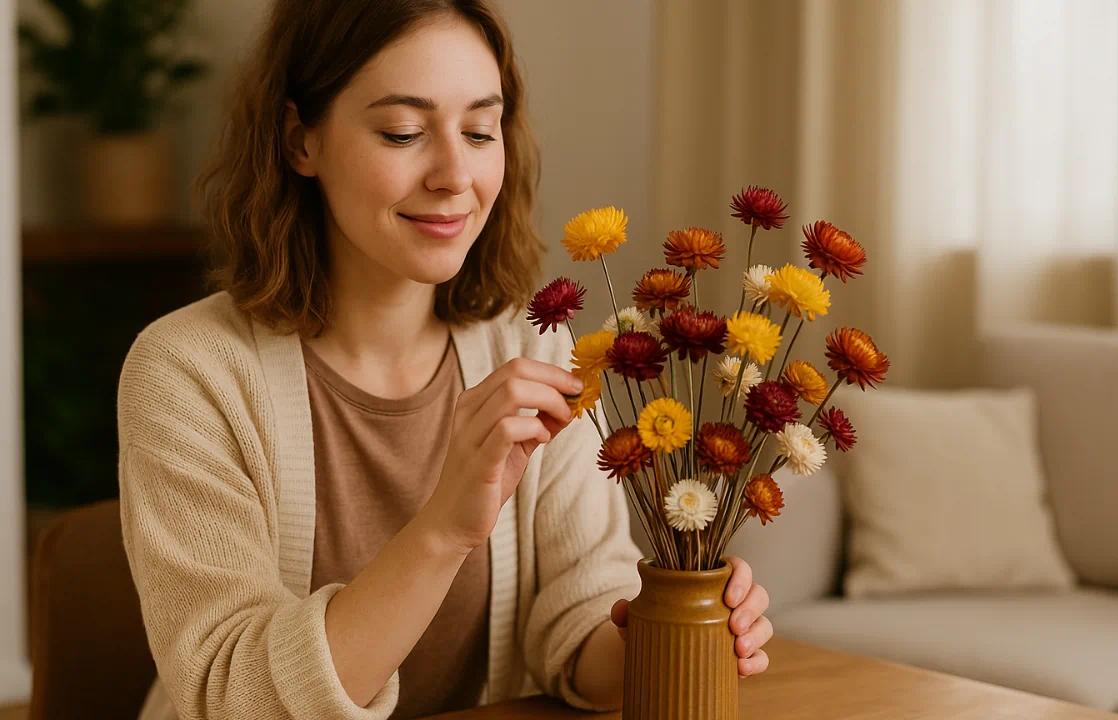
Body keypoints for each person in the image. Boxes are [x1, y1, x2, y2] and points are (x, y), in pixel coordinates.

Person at [116, 1, 773, 719]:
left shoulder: (531, 349)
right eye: (403, 132)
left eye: (480, 131)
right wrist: (443, 530)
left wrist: (682, 622)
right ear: (300, 141)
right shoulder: (188, 373)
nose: (455, 175)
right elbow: (232, 697)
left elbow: (581, 632)